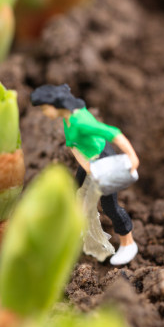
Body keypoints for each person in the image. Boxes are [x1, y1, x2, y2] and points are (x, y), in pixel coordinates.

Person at [30, 84, 140, 266]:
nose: (43, 112)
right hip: (89, 162)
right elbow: (73, 145)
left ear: (56, 104)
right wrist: (86, 167)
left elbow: (113, 133)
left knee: (109, 206)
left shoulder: (81, 121)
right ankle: (73, 234)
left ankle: (128, 243)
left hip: (103, 159)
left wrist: (132, 157)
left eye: (44, 108)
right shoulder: (67, 119)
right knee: (75, 193)